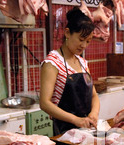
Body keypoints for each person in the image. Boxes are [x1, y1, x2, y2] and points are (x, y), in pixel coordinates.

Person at [40, 7, 100, 135]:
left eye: (88, 41)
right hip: (64, 133)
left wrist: (93, 114)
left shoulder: (82, 63)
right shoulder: (53, 62)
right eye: (81, 39)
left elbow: (94, 96)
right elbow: (44, 103)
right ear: (67, 33)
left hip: (86, 130)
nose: (84, 46)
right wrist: (75, 120)